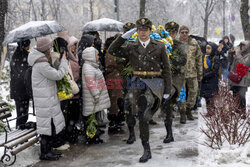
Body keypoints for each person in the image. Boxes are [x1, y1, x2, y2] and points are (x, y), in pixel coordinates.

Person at [108, 18, 172, 163]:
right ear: (137, 32)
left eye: (145, 30)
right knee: (129, 105)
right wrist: (123, 37)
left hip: (154, 83)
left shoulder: (160, 46)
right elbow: (112, 50)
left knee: (144, 109)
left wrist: (167, 90)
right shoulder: (131, 46)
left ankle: (146, 149)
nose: (142, 33)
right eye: (140, 30)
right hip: (137, 82)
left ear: (150, 31)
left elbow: (167, 71)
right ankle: (145, 147)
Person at [28, 37, 68, 160]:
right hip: (45, 100)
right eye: (49, 47)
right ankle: (45, 153)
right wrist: (64, 62)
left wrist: (57, 62)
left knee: (49, 126)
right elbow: (57, 75)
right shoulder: (41, 64)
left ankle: (48, 150)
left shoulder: (42, 61)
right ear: (45, 49)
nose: (51, 49)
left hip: (47, 99)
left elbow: (52, 72)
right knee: (46, 127)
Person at [81, 46, 111, 144]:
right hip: (92, 98)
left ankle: (94, 136)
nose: (98, 57)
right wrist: (96, 95)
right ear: (91, 56)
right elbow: (91, 83)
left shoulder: (92, 66)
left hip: (93, 97)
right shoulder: (88, 68)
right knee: (91, 118)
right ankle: (91, 137)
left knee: (94, 117)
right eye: (96, 55)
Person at [179, 25, 203, 120]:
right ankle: (182, 113)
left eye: (186, 32)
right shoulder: (176, 43)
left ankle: (189, 109)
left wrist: (200, 72)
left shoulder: (194, 43)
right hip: (180, 74)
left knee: (193, 93)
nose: (184, 34)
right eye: (182, 32)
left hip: (192, 73)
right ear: (179, 33)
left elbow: (199, 58)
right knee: (181, 95)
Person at [165, 21, 187, 124]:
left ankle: (183, 113)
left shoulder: (180, 45)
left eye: (173, 32)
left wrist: (171, 62)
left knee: (180, 94)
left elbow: (183, 60)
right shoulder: (162, 43)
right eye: (169, 32)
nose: (171, 34)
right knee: (166, 93)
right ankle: (167, 112)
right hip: (165, 73)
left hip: (177, 74)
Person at [104, 36, 125, 133]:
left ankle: (116, 122)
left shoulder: (112, 53)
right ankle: (113, 124)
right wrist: (120, 66)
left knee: (117, 101)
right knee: (114, 102)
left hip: (116, 79)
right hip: (113, 80)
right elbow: (111, 65)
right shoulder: (110, 53)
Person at [10, 39, 31, 129]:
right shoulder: (24, 55)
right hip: (22, 89)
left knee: (21, 114)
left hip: (17, 89)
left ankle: (20, 129)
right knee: (23, 115)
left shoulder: (16, 55)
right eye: (28, 45)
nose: (29, 47)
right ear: (25, 45)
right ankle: (21, 131)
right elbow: (25, 73)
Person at [200, 44, 220, 116]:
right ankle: (209, 111)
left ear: (213, 49)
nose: (207, 50)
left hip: (212, 80)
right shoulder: (204, 57)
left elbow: (215, 71)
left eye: (209, 48)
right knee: (206, 96)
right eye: (206, 48)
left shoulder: (215, 58)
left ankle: (211, 112)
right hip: (205, 80)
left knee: (210, 97)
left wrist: (205, 75)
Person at [229, 41, 250, 109]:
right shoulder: (238, 54)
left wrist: (238, 54)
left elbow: (244, 64)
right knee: (235, 96)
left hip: (244, 79)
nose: (242, 47)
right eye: (241, 46)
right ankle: (236, 112)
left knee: (241, 95)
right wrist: (231, 53)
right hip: (235, 78)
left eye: (244, 46)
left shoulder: (248, 55)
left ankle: (242, 112)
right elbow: (230, 61)